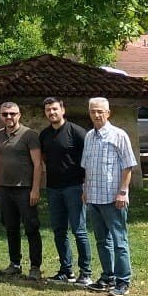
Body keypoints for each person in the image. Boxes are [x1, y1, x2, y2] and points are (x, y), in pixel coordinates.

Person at [81, 97, 138, 296]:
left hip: (113, 198)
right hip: (94, 196)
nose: (96, 115)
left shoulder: (118, 135)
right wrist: (85, 190)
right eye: (93, 111)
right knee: (101, 240)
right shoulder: (89, 136)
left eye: (100, 112)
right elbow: (87, 166)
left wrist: (123, 192)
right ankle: (108, 277)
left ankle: (123, 281)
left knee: (119, 241)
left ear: (108, 113)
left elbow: (128, 165)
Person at [40, 97, 93, 285]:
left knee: (79, 231)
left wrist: (86, 186)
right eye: (48, 110)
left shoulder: (77, 132)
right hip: (54, 189)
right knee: (59, 231)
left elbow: (88, 160)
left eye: (54, 109)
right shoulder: (44, 135)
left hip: (74, 187)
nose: (51, 113)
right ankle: (66, 271)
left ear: (63, 110)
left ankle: (85, 272)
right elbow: (45, 158)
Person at [0, 101, 44, 280]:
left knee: (31, 228)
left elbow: (38, 164)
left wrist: (35, 189)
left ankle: (35, 266)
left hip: (24, 189)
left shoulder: (29, 135)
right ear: (1, 116)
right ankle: (15, 263)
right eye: (5, 114)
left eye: (12, 113)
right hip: (6, 190)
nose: (9, 117)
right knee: (11, 228)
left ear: (19, 115)